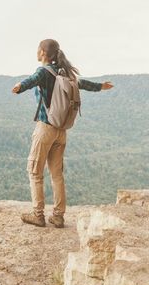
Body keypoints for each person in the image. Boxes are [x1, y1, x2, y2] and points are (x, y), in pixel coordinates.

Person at [11, 39, 114, 228]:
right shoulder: (64, 73)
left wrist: (19, 87)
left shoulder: (43, 71)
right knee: (57, 175)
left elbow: (32, 80)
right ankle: (58, 216)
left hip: (46, 129)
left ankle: (38, 215)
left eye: (38, 49)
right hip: (62, 132)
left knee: (35, 172)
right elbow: (81, 83)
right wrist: (101, 86)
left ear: (42, 52)